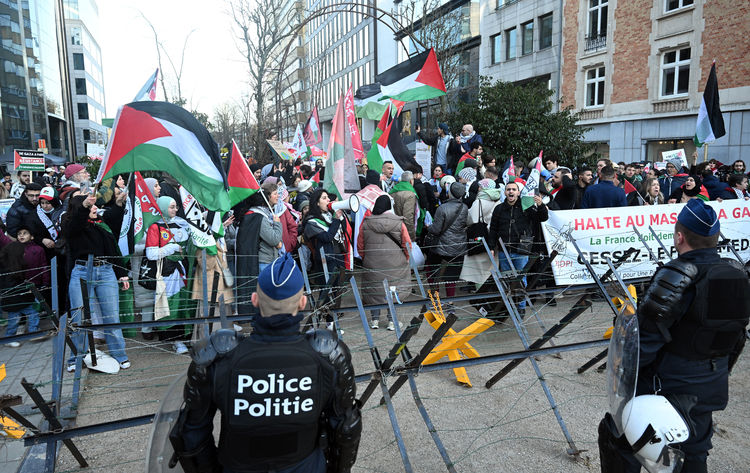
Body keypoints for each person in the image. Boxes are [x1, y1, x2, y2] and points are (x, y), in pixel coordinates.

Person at [171, 253, 362, 473]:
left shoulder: (218, 358)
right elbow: (346, 428)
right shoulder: (328, 357)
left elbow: (192, 433)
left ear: (254, 300)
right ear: (303, 303)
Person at [598, 199, 750, 473]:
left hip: (666, 387)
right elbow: (738, 337)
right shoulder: (735, 274)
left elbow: (644, 344)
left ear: (679, 236)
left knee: (619, 438)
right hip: (710, 383)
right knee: (693, 450)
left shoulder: (677, 276)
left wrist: (628, 377)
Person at [62, 193, 130, 371]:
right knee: (79, 317)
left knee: (111, 316)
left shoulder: (102, 225)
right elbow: (73, 227)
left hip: (106, 271)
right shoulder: (71, 223)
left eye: (93, 205)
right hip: (82, 272)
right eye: (90, 206)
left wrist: (121, 273)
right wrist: (84, 207)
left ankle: (119, 355)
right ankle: (76, 359)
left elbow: (113, 248)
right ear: (80, 208)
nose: (95, 208)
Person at [487, 181, 548, 316]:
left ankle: (521, 307)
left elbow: (542, 218)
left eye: (514, 189)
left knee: (521, 280)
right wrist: (491, 246)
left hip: (521, 251)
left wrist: (541, 205)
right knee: (507, 280)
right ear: (505, 192)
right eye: (508, 189)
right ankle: (509, 306)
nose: (511, 192)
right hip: (504, 251)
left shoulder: (526, 207)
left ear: (518, 192)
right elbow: (493, 229)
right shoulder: (499, 209)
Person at [358, 195, 410, 330]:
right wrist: (405, 258)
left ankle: (374, 320)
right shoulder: (399, 223)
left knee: (375, 290)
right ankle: (392, 321)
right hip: (396, 263)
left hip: (372, 263)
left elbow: (360, 246)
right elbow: (407, 244)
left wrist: (366, 258)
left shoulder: (366, 223)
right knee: (393, 290)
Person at [303, 189, 348, 325]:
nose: (328, 200)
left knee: (337, 291)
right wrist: (335, 220)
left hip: (338, 256)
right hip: (325, 260)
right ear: (317, 203)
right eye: (324, 198)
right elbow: (327, 237)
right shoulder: (312, 222)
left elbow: (343, 231)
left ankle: (332, 321)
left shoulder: (329, 216)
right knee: (327, 292)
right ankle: (327, 321)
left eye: (328, 197)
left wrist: (340, 218)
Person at [0, 226, 48, 347]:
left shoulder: (18, 268)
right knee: (14, 320)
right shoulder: (9, 272)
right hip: (14, 302)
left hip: (22, 300)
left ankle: (33, 332)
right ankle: (9, 338)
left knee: (32, 313)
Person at [425, 182, 468, 301]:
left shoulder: (443, 208)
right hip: (458, 246)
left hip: (440, 246)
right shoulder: (464, 207)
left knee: (431, 270)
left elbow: (436, 229)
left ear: (450, 193)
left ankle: (435, 298)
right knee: (451, 276)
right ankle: (450, 302)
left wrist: (428, 227)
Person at [390, 171, 419, 241]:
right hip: (404, 233)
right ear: (411, 181)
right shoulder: (410, 195)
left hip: (392, 230)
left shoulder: (391, 191)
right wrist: (411, 237)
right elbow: (408, 218)